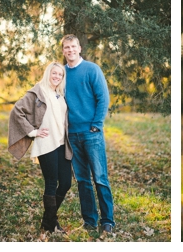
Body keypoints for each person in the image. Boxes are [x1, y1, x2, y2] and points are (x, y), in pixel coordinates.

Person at [8, 62, 73, 234]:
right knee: (51, 183)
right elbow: (17, 111)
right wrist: (32, 132)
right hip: (46, 144)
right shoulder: (38, 92)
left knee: (66, 182)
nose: (57, 77)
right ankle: (49, 225)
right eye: (54, 73)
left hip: (61, 143)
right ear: (48, 73)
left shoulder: (59, 94)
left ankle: (47, 221)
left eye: (60, 75)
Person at [61, 34, 115, 234]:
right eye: (67, 47)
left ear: (79, 48)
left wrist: (96, 124)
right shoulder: (62, 73)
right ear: (63, 50)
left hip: (92, 134)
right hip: (72, 135)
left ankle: (107, 220)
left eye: (73, 46)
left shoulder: (92, 69)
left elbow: (103, 98)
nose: (70, 50)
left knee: (100, 178)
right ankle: (90, 221)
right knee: (82, 180)